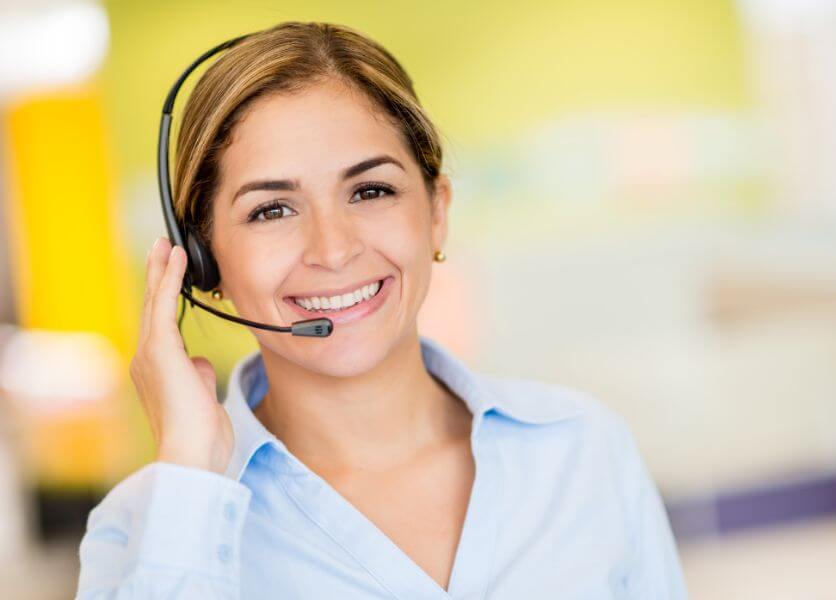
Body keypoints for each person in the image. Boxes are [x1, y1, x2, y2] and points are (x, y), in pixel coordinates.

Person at [75, 21, 687, 599]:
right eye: (272, 210)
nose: (334, 249)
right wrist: (188, 468)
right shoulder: (142, 530)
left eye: (370, 191)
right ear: (203, 263)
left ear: (436, 213)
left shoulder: (580, 448)